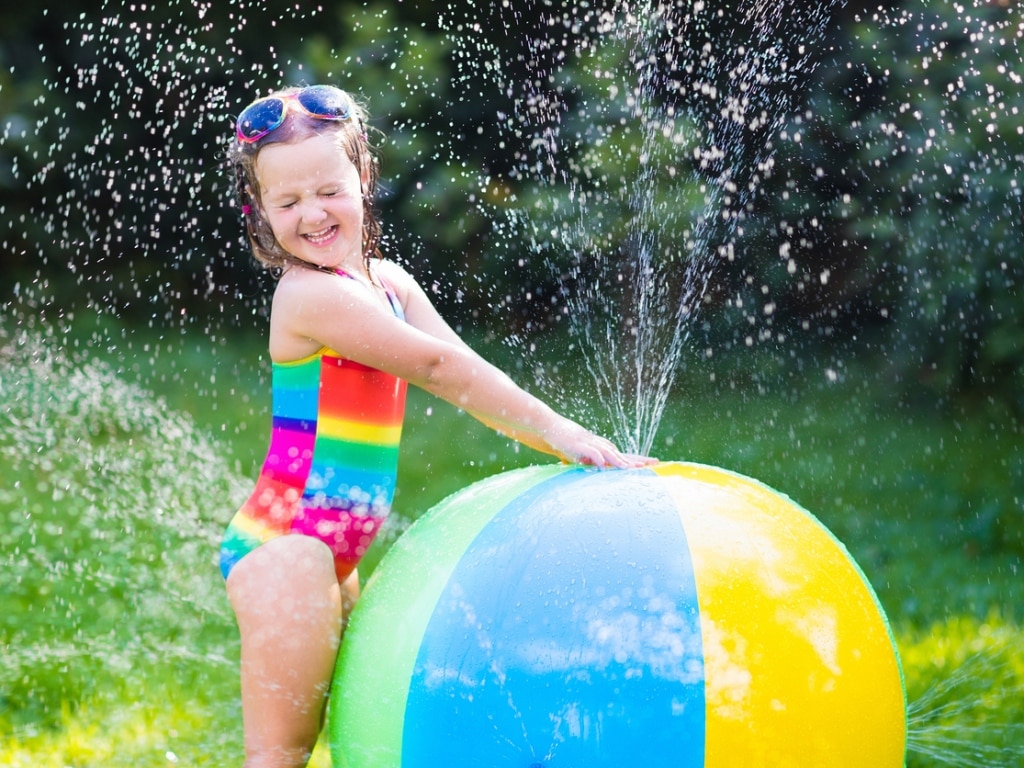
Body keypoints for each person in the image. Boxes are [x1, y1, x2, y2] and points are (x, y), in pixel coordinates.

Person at [220, 84, 652, 768]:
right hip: (286, 552)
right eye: (288, 202)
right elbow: (437, 369)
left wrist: (549, 431)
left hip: (333, 552)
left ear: (363, 178)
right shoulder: (309, 296)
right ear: (262, 212)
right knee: (278, 755)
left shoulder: (388, 284)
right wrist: (560, 432)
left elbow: (464, 365)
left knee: (345, 740)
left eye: (327, 190)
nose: (311, 214)